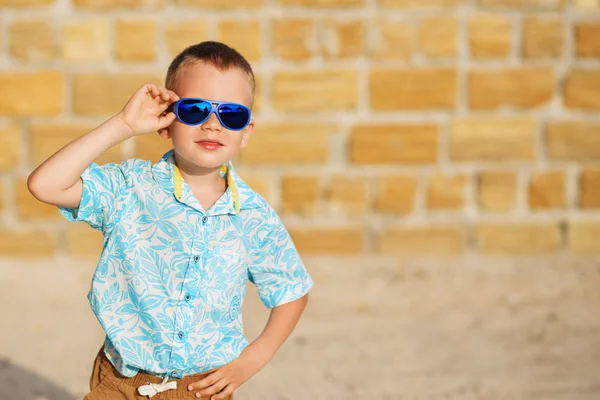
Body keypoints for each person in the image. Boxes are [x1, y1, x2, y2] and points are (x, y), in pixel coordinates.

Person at [27, 41, 314, 400]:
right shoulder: (129, 189)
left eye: (232, 115)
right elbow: (45, 185)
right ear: (167, 123)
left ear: (246, 132)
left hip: (205, 389)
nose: (213, 123)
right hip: (120, 382)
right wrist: (122, 125)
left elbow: (291, 290)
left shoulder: (252, 215)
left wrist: (255, 357)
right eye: (195, 110)